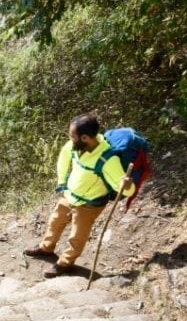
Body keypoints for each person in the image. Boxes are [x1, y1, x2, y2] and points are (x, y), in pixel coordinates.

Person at [23, 114, 134, 278]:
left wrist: (127, 185)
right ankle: (46, 248)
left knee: (77, 236)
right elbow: (63, 157)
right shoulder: (76, 146)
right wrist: (62, 182)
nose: (70, 139)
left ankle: (64, 264)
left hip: (89, 204)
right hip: (70, 195)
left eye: (72, 136)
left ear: (85, 137)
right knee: (55, 221)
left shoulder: (107, 159)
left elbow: (127, 191)